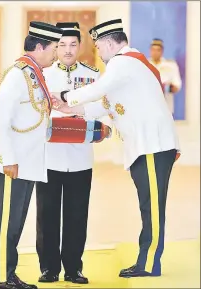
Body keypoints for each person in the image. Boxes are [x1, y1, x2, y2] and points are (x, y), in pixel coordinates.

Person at [51, 18, 180, 278]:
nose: (98, 51)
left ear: (109, 43)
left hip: (152, 145)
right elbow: (105, 104)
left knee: (152, 206)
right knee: (148, 205)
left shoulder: (124, 61)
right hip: (145, 146)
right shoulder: (128, 64)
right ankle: (146, 260)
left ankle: (149, 263)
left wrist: (66, 96)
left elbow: (99, 89)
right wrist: (70, 109)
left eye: (98, 46)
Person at [35, 22, 112, 285]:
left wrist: (101, 125)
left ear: (80, 46)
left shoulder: (93, 75)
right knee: (47, 214)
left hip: (80, 157)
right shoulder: (42, 75)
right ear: (55, 47)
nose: (68, 50)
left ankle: (73, 268)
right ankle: (48, 268)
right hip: (49, 156)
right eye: (62, 45)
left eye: (73, 45)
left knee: (77, 214)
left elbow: (104, 104)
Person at [0, 21, 63, 289]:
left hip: (28, 162)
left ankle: (9, 274)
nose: (56, 53)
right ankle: (2, 278)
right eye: (54, 48)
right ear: (40, 47)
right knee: (8, 221)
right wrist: (8, 159)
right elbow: (1, 119)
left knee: (16, 222)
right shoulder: (17, 75)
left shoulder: (34, 73)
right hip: (14, 163)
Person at [149, 38, 182, 115]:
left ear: (162, 51)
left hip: (166, 108)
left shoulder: (171, 65)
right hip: (148, 108)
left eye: (158, 50)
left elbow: (177, 85)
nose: (155, 52)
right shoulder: (144, 65)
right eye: (153, 50)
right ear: (150, 50)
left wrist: (167, 87)